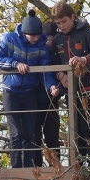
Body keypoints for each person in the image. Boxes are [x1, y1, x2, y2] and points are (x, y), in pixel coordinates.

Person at [0, 10, 60, 168]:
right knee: (16, 133)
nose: (35, 38)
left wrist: (51, 86)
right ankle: (16, 168)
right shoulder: (10, 39)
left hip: (29, 93)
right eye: (32, 36)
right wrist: (14, 64)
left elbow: (45, 71)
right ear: (24, 33)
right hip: (11, 92)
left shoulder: (42, 45)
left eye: (37, 35)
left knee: (29, 134)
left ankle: (29, 169)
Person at [50, 1, 90, 164]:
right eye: (58, 23)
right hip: (70, 90)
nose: (61, 26)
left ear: (72, 17)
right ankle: (79, 162)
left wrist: (84, 59)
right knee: (74, 126)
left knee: (88, 125)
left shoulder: (86, 33)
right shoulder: (57, 40)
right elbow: (53, 62)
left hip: (88, 87)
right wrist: (61, 74)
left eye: (64, 22)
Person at [34, 21, 64, 167]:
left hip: (51, 101)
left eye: (52, 38)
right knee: (35, 137)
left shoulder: (59, 53)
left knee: (52, 137)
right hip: (33, 101)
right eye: (46, 38)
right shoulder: (36, 50)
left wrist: (58, 90)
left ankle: (55, 168)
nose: (49, 42)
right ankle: (37, 169)